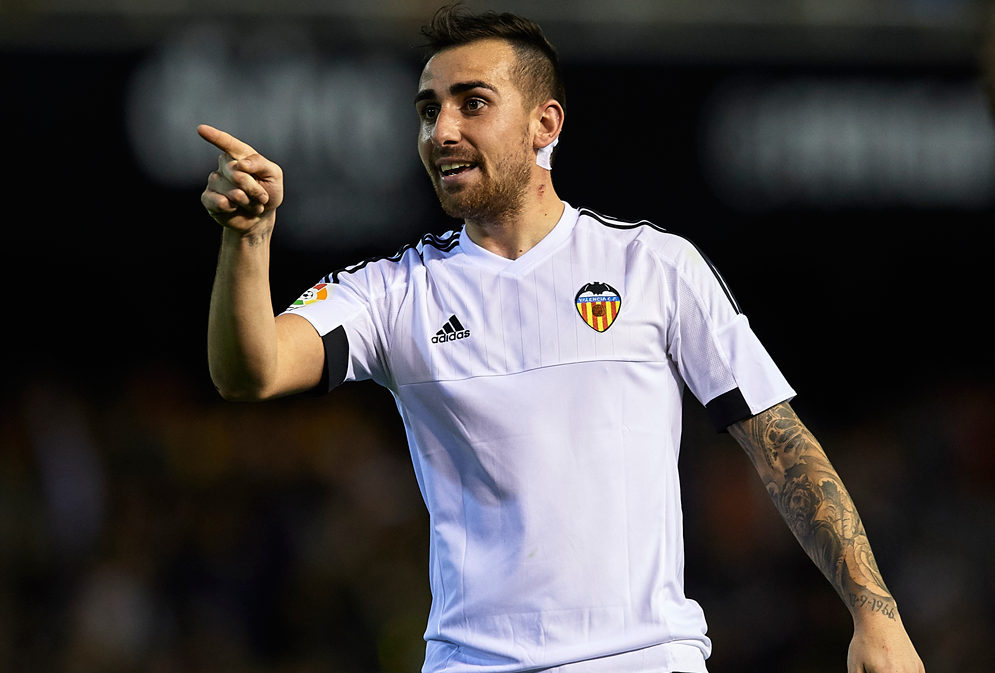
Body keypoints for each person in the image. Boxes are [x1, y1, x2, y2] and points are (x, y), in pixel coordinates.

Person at [200, 6, 924, 673]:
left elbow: (779, 442)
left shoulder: (654, 265)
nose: (441, 130)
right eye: (428, 110)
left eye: (471, 103)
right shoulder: (393, 290)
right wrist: (249, 242)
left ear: (544, 124)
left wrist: (874, 613)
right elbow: (252, 370)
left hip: (645, 658)